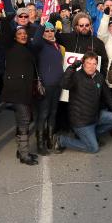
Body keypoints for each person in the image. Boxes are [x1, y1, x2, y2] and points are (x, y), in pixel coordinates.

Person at [51, 52, 112, 154]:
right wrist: (72, 68)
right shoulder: (76, 76)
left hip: (95, 116)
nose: (91, 66)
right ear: (83, 63)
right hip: (81, 121)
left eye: (94, 63)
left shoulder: (99, 77)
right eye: (89, 63)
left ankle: (91, 136)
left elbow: (108, 96)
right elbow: (64, 84)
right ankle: (61, 140)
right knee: (93, 148)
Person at [0, 12, 41, 166]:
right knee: (24, 119)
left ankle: (21, 150)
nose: (22, 35)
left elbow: (37, 43)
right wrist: (7, 19)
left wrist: (41, 25)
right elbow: (5, 35)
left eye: (24, 33)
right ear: (15, 36)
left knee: (23, 120)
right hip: (16, 90)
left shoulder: (29, 47)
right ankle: (24, 154)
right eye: (19, 33)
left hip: (27, 90)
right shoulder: (10, 46)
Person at [31, 22, 64, 155]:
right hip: (46, 85)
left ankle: (50, 139)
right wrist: (41, 26)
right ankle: (40, 144)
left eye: (52, 31)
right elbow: (35, 42)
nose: (50, 33)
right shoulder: (40, 45)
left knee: (53, 113)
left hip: (57, 84)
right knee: (43, 114)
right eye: (47, 31)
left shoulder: (56, 45)